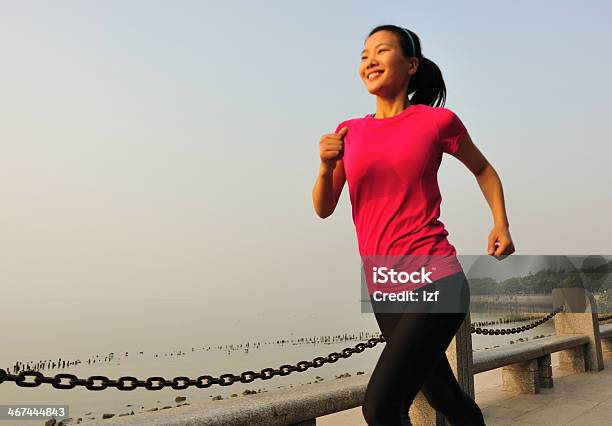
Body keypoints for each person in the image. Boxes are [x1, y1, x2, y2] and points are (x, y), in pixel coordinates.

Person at [312, 25, 515, 425]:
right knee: (444, 396)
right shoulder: (348, 132)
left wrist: (500, 224)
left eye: (381, 50)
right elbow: (324, 207)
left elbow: (484, 170)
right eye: (363, 53)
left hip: (435, 277)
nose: (369, 59)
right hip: (384, 284)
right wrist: (325, 167)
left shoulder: (437, 121)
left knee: (381, 407)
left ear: (411, 65)